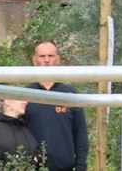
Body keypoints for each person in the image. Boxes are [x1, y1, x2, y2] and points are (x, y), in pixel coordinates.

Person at [26, 42, 88, 171]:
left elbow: (80, 134)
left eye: (51, 56)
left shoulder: (70, 95)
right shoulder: (25, 95)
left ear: (57, 60)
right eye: (42, 56)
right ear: (34, 60)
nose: (47, 60)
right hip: (32, 168)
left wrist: (81, 165)